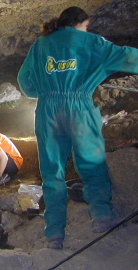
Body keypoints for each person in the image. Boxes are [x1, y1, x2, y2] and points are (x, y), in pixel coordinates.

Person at [17, 6, 138, 249]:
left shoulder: (41, 45)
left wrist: (44, 90)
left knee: (52, 171)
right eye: (86, 26)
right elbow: (128, 57)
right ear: (82, 22)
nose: (86, 30)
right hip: (80, 107)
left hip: (48, 111)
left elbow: (25, 83)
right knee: (91, 163)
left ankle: (54, 233)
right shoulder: (92, 42)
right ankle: (101, 216)